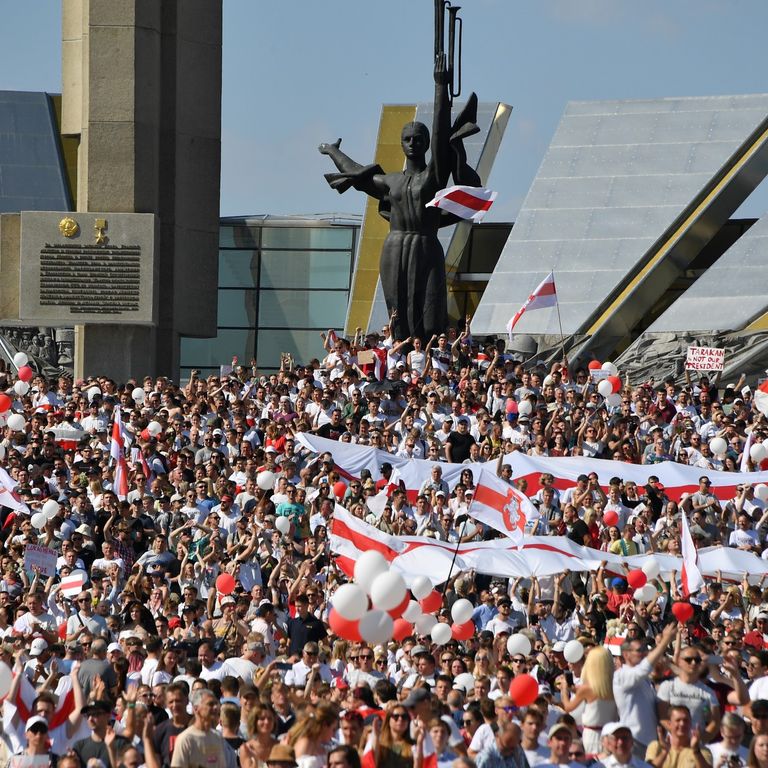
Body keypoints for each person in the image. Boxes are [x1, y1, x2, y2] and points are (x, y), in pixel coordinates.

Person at [319, 54, 473, 341]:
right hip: (395, 247)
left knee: (430, 321)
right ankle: (400, 364)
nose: (413, 143)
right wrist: (333, 151)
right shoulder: (391, 182)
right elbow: (356, 173)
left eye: (418, 139)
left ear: (427, 144)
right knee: (398, 318)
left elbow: (442, 139)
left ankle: (425, 362)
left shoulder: (433, 177)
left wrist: (441, 88)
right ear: (402, 144)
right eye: (408, 139)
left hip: (426, 247)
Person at [170, 688, 231, 768]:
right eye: (210, 704)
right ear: (196, 709)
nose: (215, 707)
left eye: (216, 704)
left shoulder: (217, 737)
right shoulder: (186, 739)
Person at [645, 705, 711, 768]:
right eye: (678, 720)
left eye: (686, 721)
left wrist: (696, 750)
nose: (682, 724)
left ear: (690, 723)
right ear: (669, 724)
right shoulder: (655, 746)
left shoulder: (702, 751)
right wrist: (664, 752)